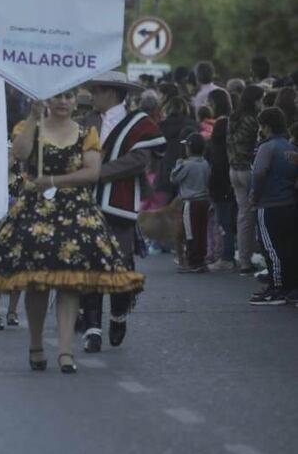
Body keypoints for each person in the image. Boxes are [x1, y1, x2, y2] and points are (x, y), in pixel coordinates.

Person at [0, 90, 144, 373]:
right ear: (48, 101)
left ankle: (65, 351)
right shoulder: (31, 126)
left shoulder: (86, 132)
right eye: (57, 97)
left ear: (75, 102)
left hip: (75, 212)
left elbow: (92, 173)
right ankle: (36, 344)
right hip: (36, 211)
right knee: (37, 281)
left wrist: (53, 180)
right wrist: (33, 116)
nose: (63, 101)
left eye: (68, 96)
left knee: (70, 283)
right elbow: (19, 154)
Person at [82, 71, 165, 353]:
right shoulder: (88, 120)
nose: (92, 96)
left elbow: (140, 160)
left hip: (120, 202)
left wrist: (98, 172)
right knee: (89, 263)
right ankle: (93, 329)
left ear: (112, 93)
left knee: (120, 263)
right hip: (87, 202)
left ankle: (118, 314)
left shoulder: (139, 123)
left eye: (96, 91)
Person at [248, 107, 298, 305]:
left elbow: (259, 172)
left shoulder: (267, 148)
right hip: (288, 203)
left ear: (266, 126)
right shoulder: (290, 147)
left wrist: (254, 196)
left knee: (271, 248)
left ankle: (277, 286)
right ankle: (289, 285)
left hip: (268, 204)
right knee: (288, 247)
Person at [227, 83, 265, 274]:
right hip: (248, 169)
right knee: (256, 215)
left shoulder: (233, 117)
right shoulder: (253, 121)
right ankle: (258, 256)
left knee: (243, 216)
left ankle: (244, 260)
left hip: (234, 169)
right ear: (255, 100)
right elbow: (257, 145)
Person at [205, 89, 237, 272]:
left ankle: (226, 257)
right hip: (227, 178)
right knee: (227, 220)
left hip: (221, 180)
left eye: (209, 103)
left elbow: (217, 157)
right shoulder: (230, 121)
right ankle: (226, 255)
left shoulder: (222, 123)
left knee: (224, 221)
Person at [171, 133, 211, 273]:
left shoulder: (187, 164)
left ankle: (193, 262)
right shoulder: (205, 163)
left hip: (190, 202)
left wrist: (177, 165)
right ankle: (201, 259)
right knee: (202, 231)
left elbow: (174, 178)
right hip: (204, 200)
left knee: (191, 233)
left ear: (189, 148)